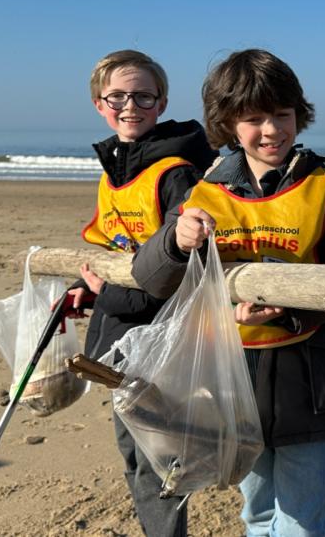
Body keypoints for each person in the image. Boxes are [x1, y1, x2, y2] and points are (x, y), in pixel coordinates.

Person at [132, 49, 325, 536]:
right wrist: (176, 240)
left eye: (282, 115)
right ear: (227, 123)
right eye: (253, 119)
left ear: (298, 114)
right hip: (232, 377)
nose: (272, 130)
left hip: (311, 376)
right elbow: (151, 276)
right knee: (257, 511)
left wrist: (293, 307)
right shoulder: (203, 193)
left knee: (303, 520)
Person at [67, 49, 217, 537]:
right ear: (99, 104)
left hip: (159, 337)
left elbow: (173, 266)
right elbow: (115, 245)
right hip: (120, 328)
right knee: (132, 447)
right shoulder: (115, 168)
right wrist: (85, 288)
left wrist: (108, 291)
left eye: (143, 97)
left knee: (155, 456)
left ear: (161, 102)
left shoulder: (175, 173)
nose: (130, 106)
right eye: (117, 97)